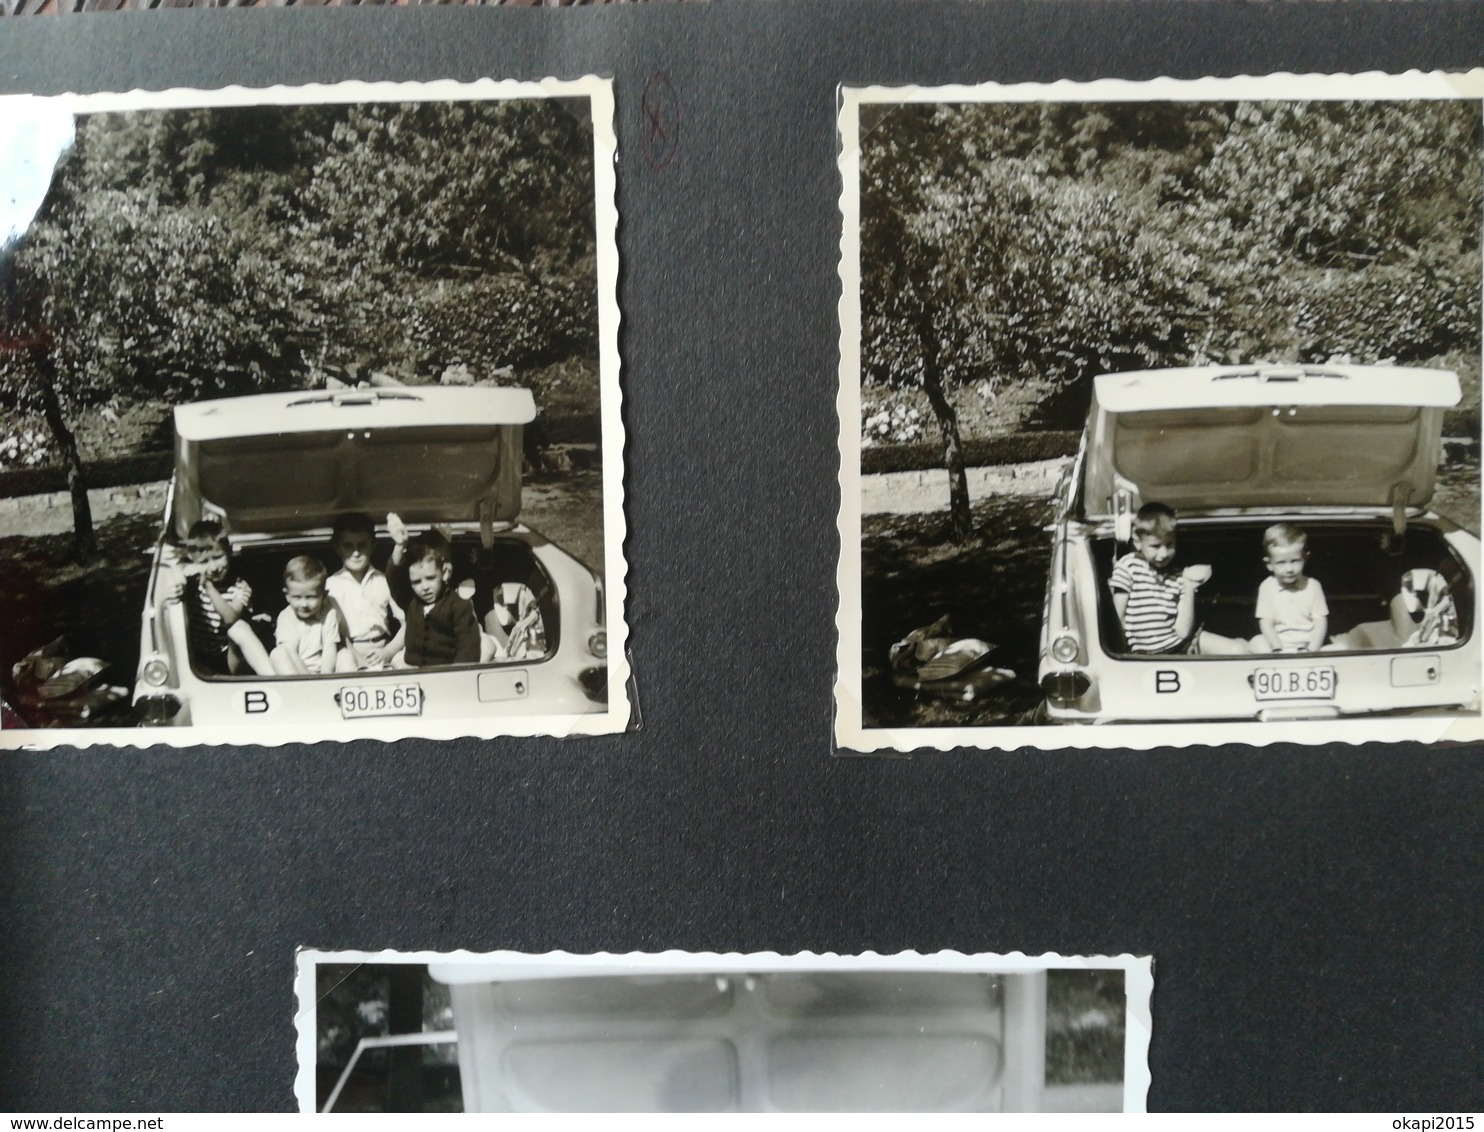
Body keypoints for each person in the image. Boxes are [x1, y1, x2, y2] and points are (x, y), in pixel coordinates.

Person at [1109, 501, 1249, 656]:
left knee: (1239, 649)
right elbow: (1116, 617)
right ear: (1137, 542)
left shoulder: (1177, 576)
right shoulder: (1128, 566)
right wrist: (1121, 654)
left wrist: (1188, 587)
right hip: (1144, 653)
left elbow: (1183, 632)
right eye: (1155, 546)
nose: (1163, 554)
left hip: (1180, 645)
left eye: (1169, 545)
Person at [177, 519, 274, 676]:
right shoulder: (192, 582)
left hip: (228, 659)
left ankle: (271, 676)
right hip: (196, 659)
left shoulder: (240, 588)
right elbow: (175, 569)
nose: (213, 567)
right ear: (194, 562)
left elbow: (230, 619)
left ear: (229, 552)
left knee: (238, 628)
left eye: (217, 557)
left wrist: (208, 586)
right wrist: (180, 577)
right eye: (204, 562)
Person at [386, 514, 482, 667]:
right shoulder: (412, 603)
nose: (424, 587)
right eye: (416, 582)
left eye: (430, 578)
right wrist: (399, 546)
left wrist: (459, 674)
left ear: (445, 573)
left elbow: (468, 646)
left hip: (445, 671)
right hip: (412, 669)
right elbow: (394, 579)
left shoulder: (458, 606)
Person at [325, 512, 405, 670]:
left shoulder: (384, 580)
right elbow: (333, 633)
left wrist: (388, 652)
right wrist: (358, 657)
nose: (355, 553)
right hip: (349, 650)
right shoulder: (331, 585)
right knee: (345, 662)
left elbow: (407, 621)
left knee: (405, 663)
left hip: (384, 648)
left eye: (362, 545)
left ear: (373, 545)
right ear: (337, 548)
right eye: (348, 546)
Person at [1248, 523, 1330, 653]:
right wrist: (1277, 647)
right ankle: (1275, 663)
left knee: (1344, 648)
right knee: (1256, 642)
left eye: (1295, 561)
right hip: (1278, 643)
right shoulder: (1267, 586)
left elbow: (1320, 621)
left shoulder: (1313, 585)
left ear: (1305, 558)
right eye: (1281, 562)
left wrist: (1311, 650)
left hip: (1308, 644)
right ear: (1269, 564)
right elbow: (1266, 622)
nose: (1289, 569)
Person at [271, 556, 356, 676]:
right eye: (297, 597)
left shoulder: (328, 613)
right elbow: (290, 653)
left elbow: (329, 648)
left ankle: (343, 688)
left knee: (345, 654)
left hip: (325, 672)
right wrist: (310, 680)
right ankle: (298, 692)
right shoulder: (286, 617)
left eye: (310, 597)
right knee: (278, 653)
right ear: (287, 595)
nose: (304, 604)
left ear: (324, 595)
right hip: (297, 672)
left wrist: (325, 678)